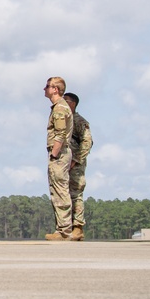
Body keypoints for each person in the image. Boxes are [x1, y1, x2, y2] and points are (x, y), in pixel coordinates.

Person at [44, 76, 73, 241]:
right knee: (57, 190)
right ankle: (62, 229)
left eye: (48, 86)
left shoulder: (60, 108)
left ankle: (64, 231)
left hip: (59, 154)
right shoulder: (58, 107)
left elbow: (60, 134)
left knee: (60, 190)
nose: (45, 89)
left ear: (55, 89)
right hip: (61, 153)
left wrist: (54, 153)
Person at [64, 92, 93, 241]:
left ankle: (78, 227)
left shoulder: (79, 121)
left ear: (73, 104)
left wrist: (76, 159)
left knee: (75, 193)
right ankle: (65, 227)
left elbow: (87, 142)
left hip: (75, 164)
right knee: (63, 195)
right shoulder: (63, 121)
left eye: (66, 101)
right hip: (63, 163)